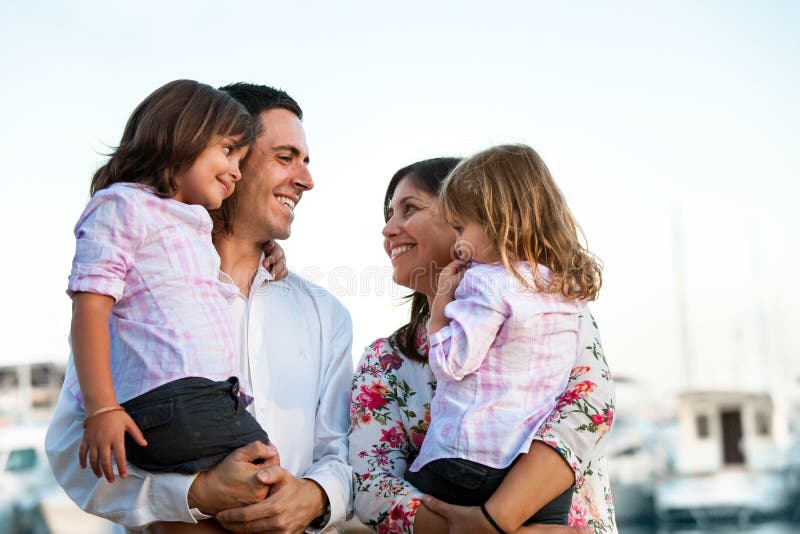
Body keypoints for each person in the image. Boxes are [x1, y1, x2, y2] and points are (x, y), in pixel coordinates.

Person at [46, 83, 354, 533]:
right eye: (285, 158)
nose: (306, 179)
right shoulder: (142, 292)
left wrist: (314, 497)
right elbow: (73, 448)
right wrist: (194, 494)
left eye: (306, 162)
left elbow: (344, 452)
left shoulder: (326, 316)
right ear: (223, 152)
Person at [349, 157, 617, 533]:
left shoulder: (553, 307)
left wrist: (497, 519)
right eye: (389, 213)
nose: (388, 229)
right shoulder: (385, 360)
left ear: (480, 214)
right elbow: (371, 488)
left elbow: (587, 414)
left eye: (409, 209)